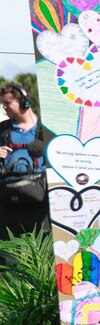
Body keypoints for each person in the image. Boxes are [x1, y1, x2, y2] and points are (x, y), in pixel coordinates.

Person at [0, 83, 48, 239]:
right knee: (12, 255)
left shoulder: (46, 128)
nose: (4, 108)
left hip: (41, 202)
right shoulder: (2, 129)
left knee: (43, 249)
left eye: (7, 103)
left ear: (24, 102)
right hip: (9, 203)